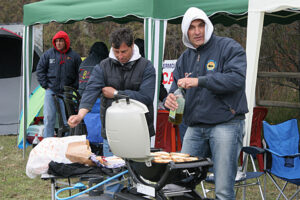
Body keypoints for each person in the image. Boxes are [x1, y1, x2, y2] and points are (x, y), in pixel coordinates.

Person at [164, 7, 248, 200]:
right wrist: (169, 99)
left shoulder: (228, 47)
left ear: (208, 26)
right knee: (178, 183)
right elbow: (175, 87)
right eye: (192, 27)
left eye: (201, 25)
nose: (197, 31)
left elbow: (237, 79)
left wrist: (200, 81)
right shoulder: (185, 58)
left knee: (223, 190)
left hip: (226, 123)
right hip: (194, 128)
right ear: (186, 31)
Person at [68, 27, 156, 197]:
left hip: (139, 131)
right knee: (113, 175)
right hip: (112, 131)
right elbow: (91, 90)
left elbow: (146, 97)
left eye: (124, 51)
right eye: (116, 52)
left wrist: (117, 94)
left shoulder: (146, 66)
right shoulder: (103, 66)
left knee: (139, 177)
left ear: (132, 46)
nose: (120, 56)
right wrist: (80, 114)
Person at [37, 31, 82, 138]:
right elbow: (40, 70)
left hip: (68, 92)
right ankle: (48, 142)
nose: (58, 43)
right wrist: (45, 85)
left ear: (66, 42)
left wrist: (73, 87)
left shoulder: (74, 56)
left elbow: (80, 73)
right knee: (49, 117)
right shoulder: (48, 55)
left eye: (61, 41)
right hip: (51, 90)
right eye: (56, 41)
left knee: (68, 119)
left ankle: (66, 141)